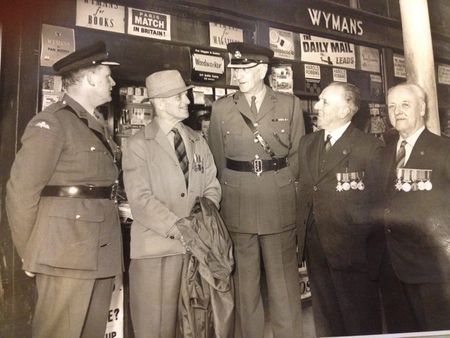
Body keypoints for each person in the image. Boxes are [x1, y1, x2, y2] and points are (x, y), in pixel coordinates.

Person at [6, 41, 123, 338]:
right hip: (64, 253)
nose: (113, 82)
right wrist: (27, 251)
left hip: (98, 250)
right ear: (90, 77)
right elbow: (21, 192)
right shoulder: (52, 122)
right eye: (108, 76)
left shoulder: (94, 124)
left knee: (92, 331)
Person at [208, 42, 304, 338]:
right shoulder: (222, 107)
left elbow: (298, 155)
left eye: (244, 69)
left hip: (279, 201)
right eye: (235, 68)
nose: (237, 74)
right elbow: (216, 157)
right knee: (245, 288)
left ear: (262, 70)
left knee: (284, 286)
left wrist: (286, 190)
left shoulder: (289, 104)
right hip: (238, 203)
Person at [122, 69, 221, 338]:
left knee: (194, 328)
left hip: (196, 251)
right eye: (180, 97)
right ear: (160, 102)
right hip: (157, 252)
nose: (187, 102)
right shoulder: (138, 144)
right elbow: (140, 200)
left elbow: (212, 185)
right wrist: (181, 228)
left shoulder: (197, 139)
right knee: (155, 328)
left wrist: (202, 221)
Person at [296, 82, 384, 336]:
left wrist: (371, 255)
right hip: (315, 247)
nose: (317, 106)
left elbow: (379, 206)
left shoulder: (369, 148)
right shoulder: (307, 143)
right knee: (325, 318)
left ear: (346, 110)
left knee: (359, 321)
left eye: (325, 102)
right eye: (319, 100)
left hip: (354, 253)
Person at [376, 82, 450, 332]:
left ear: (423, 108)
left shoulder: (444, 150)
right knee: (400, 332)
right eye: (392, 106)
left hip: (431, 271)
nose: (397, 111)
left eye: (405, 104)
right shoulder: (384, 153)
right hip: (391, 268)